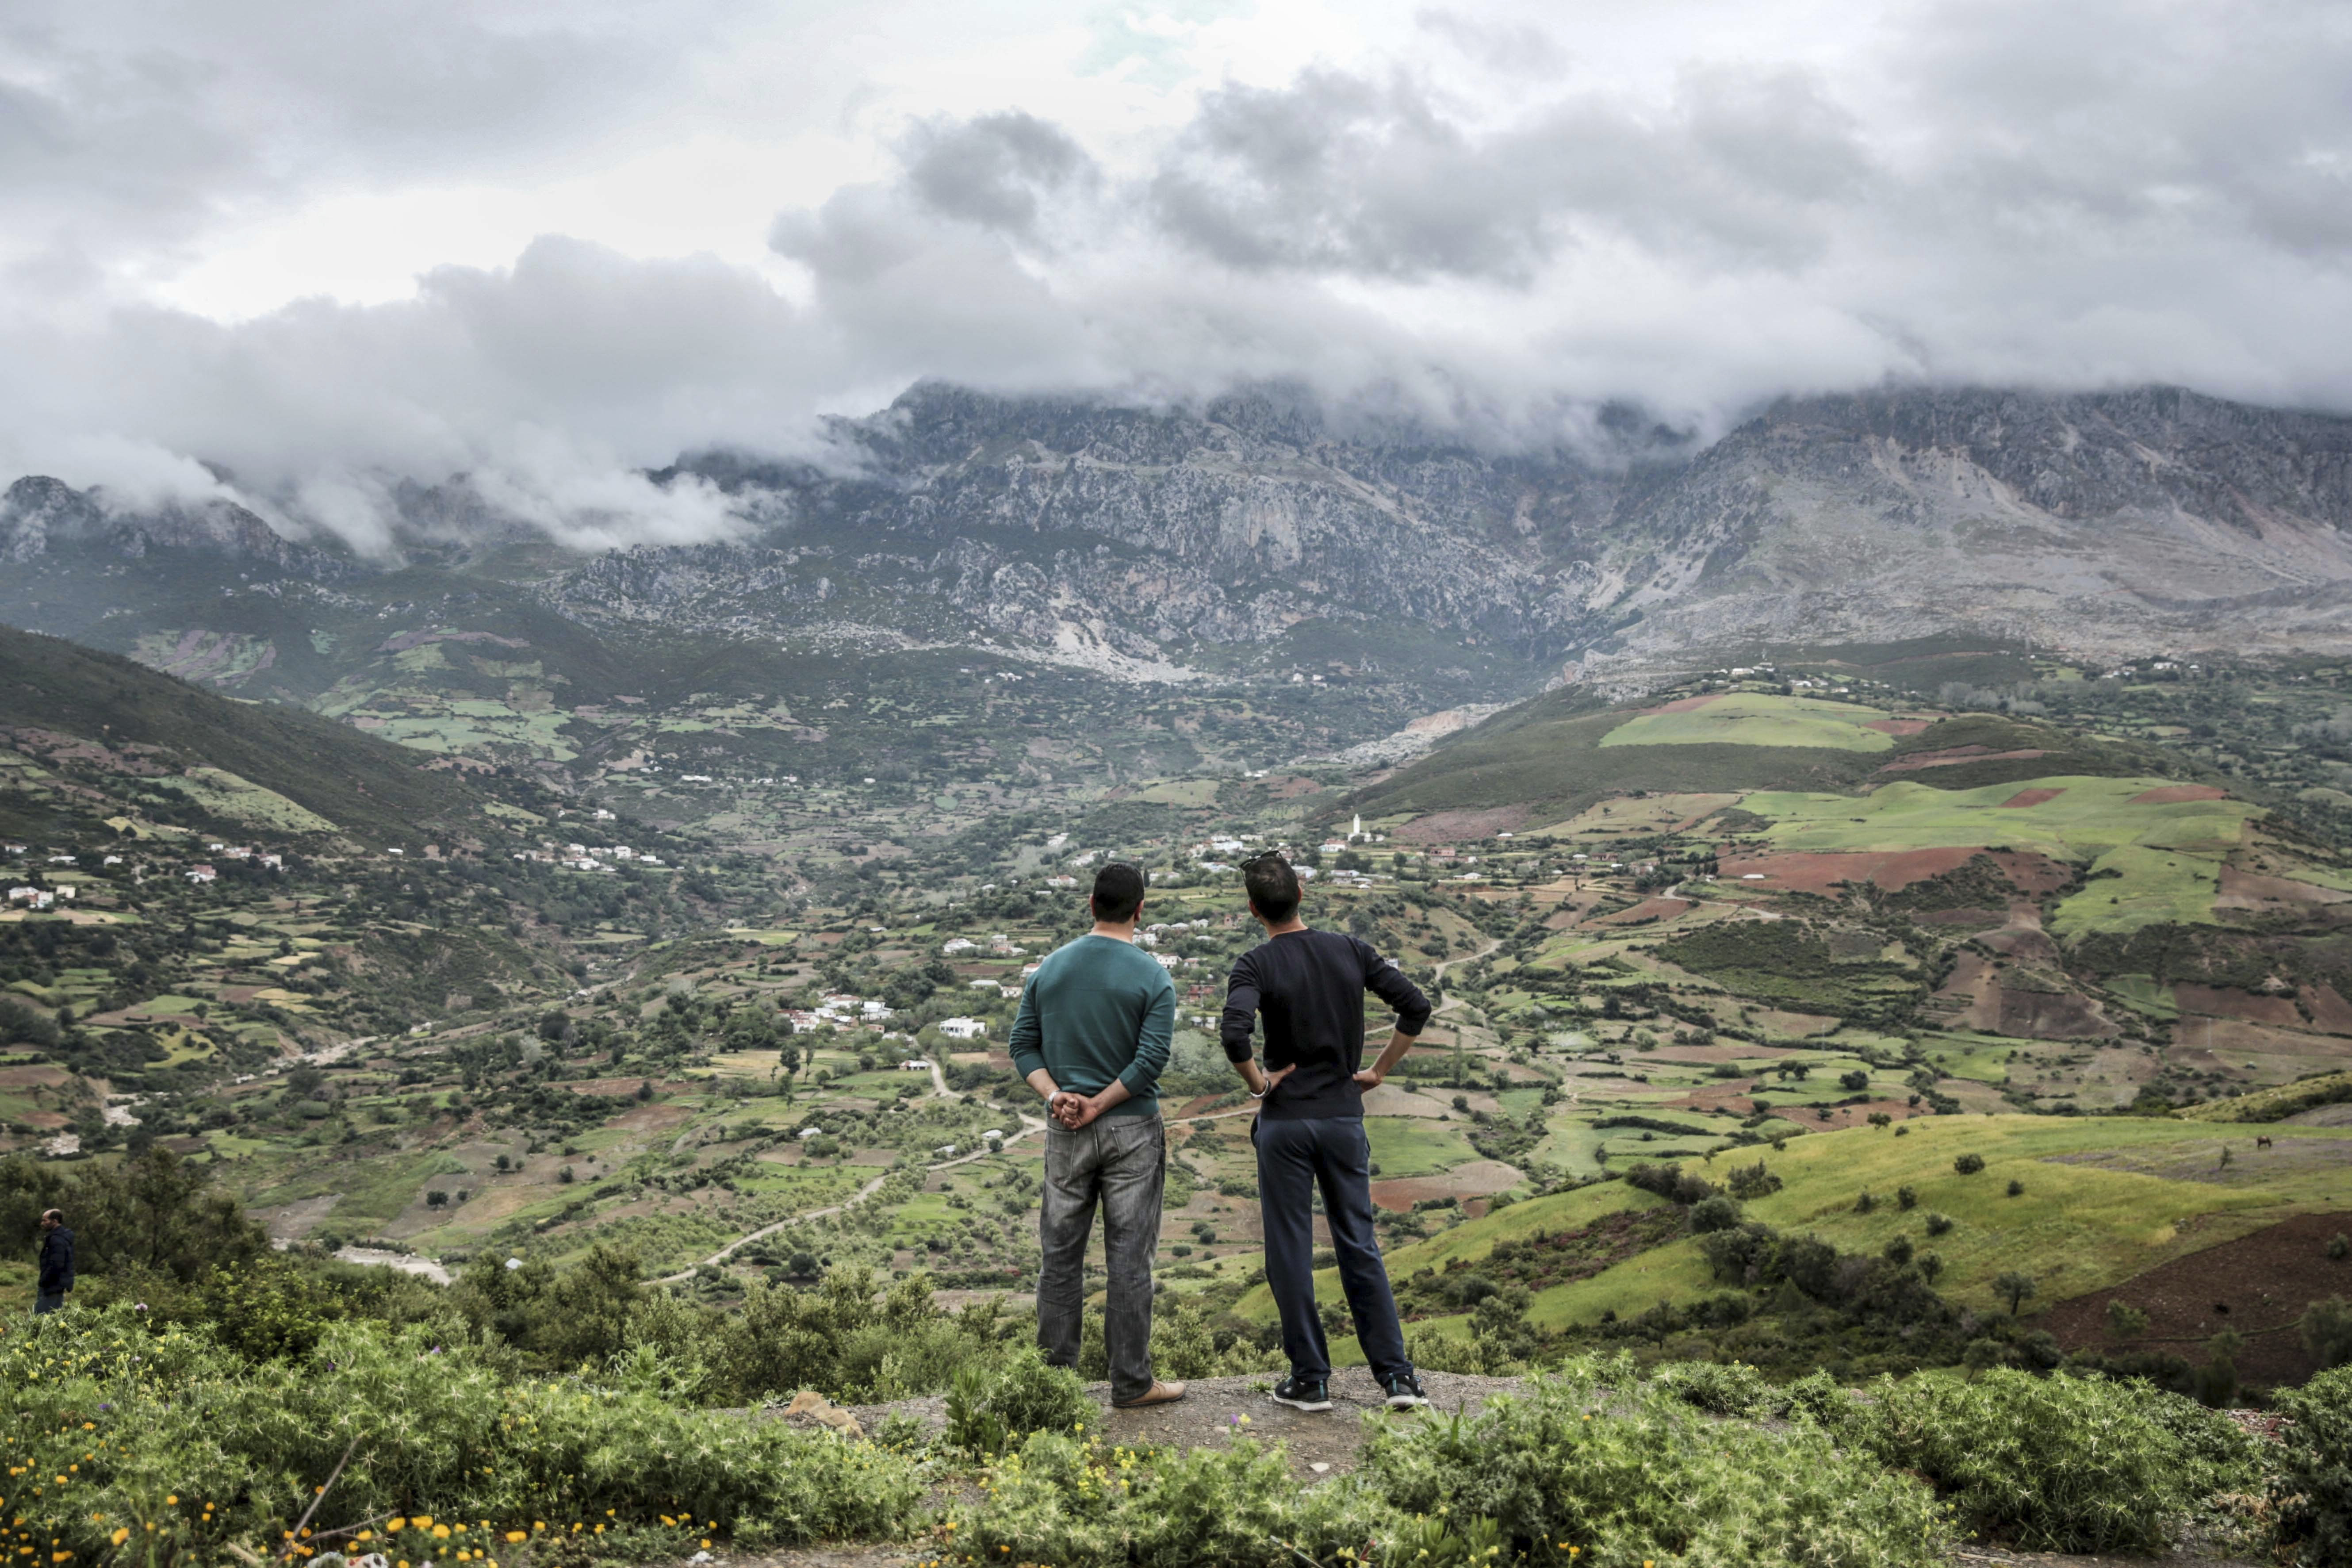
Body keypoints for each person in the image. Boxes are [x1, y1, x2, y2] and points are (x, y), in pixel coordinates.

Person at [1223, 852, 1432, 1412]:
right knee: (1357, 1242)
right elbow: (1415, 1005)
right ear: (1302, 894)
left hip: (1285, 1123)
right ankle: (1397, 1379)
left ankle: (1310, 1379)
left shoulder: (1254, 964)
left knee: (1288, 1249)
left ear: (1252, 909)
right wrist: (1380, 1070)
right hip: (1343, 1117)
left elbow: (1234, 1034)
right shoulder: (1350, 950)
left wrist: (1260, 1084)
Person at [1007, 861, 1185, 1409]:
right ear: (1140, 909)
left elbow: (1022, 1045)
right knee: (1130, 1260)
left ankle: (1053, 1384)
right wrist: (1101, 1103)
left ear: (1090, 904)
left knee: (1059, 1258)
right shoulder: (1153, 975)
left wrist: (1056, 1096)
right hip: (1131, 1128)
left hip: (1065, 1129)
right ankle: (1131, 1383)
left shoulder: (1050, 969)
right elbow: (1150, 1060)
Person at [34, 1209, 73, 1315]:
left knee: (41, 1318)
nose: (42, 1224)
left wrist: (44, 1280)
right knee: (53, 1316)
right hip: (56, 1285)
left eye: (45, 1221)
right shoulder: (58, 1237)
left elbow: (57, 1264)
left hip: (52, 1286)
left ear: (54, 1221)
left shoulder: (57, 1239)